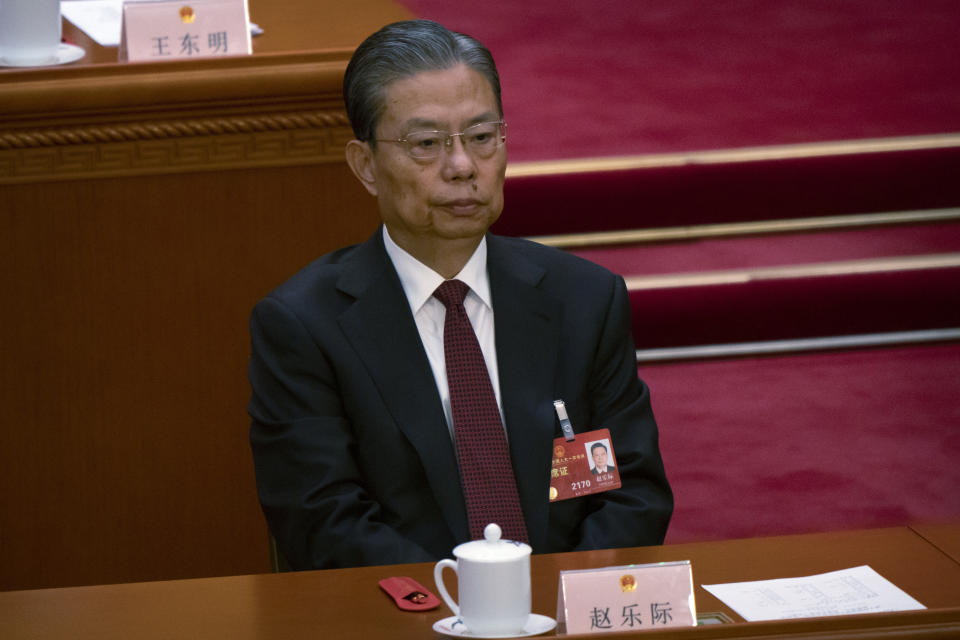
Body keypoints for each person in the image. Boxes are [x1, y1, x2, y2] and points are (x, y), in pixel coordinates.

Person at [248, 19, 672, 570]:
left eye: (481, 137)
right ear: (366, 166)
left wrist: (556, 604)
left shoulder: (585, 298)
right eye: (426, 144)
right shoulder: (304, 325)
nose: (462, 167)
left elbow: (632, 492)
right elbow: (324, 522)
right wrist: (470, 609)